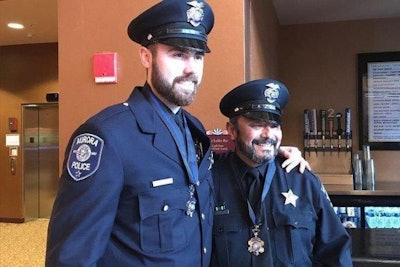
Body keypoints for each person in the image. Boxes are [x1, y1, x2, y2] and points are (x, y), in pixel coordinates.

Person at [46, 1, 308, 266]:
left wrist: (274, 152)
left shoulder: (194, 133)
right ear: (146, 57)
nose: (191, 69)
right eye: (177, 54)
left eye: (198, 56)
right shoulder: (107, 138)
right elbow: (71, 257)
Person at [210, 79, 353, 266]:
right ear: (232, 130)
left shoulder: (303, 181)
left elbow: (336, 253)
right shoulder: (209, 180)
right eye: (257, 124)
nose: (268, 134)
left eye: (275, 124)